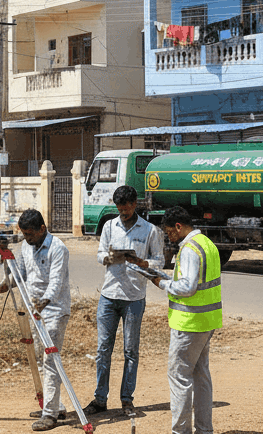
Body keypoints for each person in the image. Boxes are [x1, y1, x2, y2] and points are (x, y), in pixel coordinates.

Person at [84, 185, 165, 417]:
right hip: (109, 296)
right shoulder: (110, 225)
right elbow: (100, 254)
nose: (123, 213)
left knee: (130, 351)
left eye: (126, 209)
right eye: (119, 209)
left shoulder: (149, 230)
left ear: (134, 204)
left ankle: (127, 399)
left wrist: (143, 263)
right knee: (103, 350)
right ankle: (100, 399)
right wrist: (109, 257)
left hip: (134, 298)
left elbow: (159, 260)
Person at [0, 209, 71, 432]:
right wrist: (2, 287)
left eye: (30, 234)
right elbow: (20, 273)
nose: (27, 238)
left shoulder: (58, 249)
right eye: (24, 234)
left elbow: (56, 283)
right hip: (36, 311)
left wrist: (43, 302)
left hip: (54, 310)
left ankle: (50, 415)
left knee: (51, 361)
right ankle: (55, 405)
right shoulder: (27, 246)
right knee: (41, 359)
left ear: (42, 229)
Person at [150, 206, 223, 434]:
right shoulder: (206, 244)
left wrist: (162, 284)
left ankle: (180, 431)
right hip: (206, 321)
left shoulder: (189, 249)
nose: (169, 237)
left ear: (179, 227)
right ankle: (204, 430)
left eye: (170, 232)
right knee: (201, 376)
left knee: (179, 377)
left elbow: (188, 287)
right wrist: (161, 275)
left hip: (188, 323)